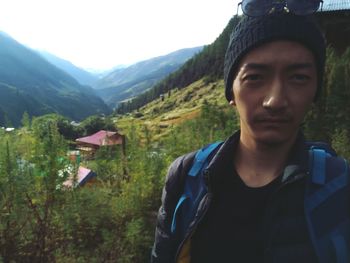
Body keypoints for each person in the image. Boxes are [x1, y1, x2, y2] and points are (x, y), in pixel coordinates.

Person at [151, 2, 350, 262]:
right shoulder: (185, 177)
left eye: (298, 77)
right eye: (255, 77)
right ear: (230, 92)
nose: (275, 100)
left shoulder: (341, 185)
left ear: (315, 91)